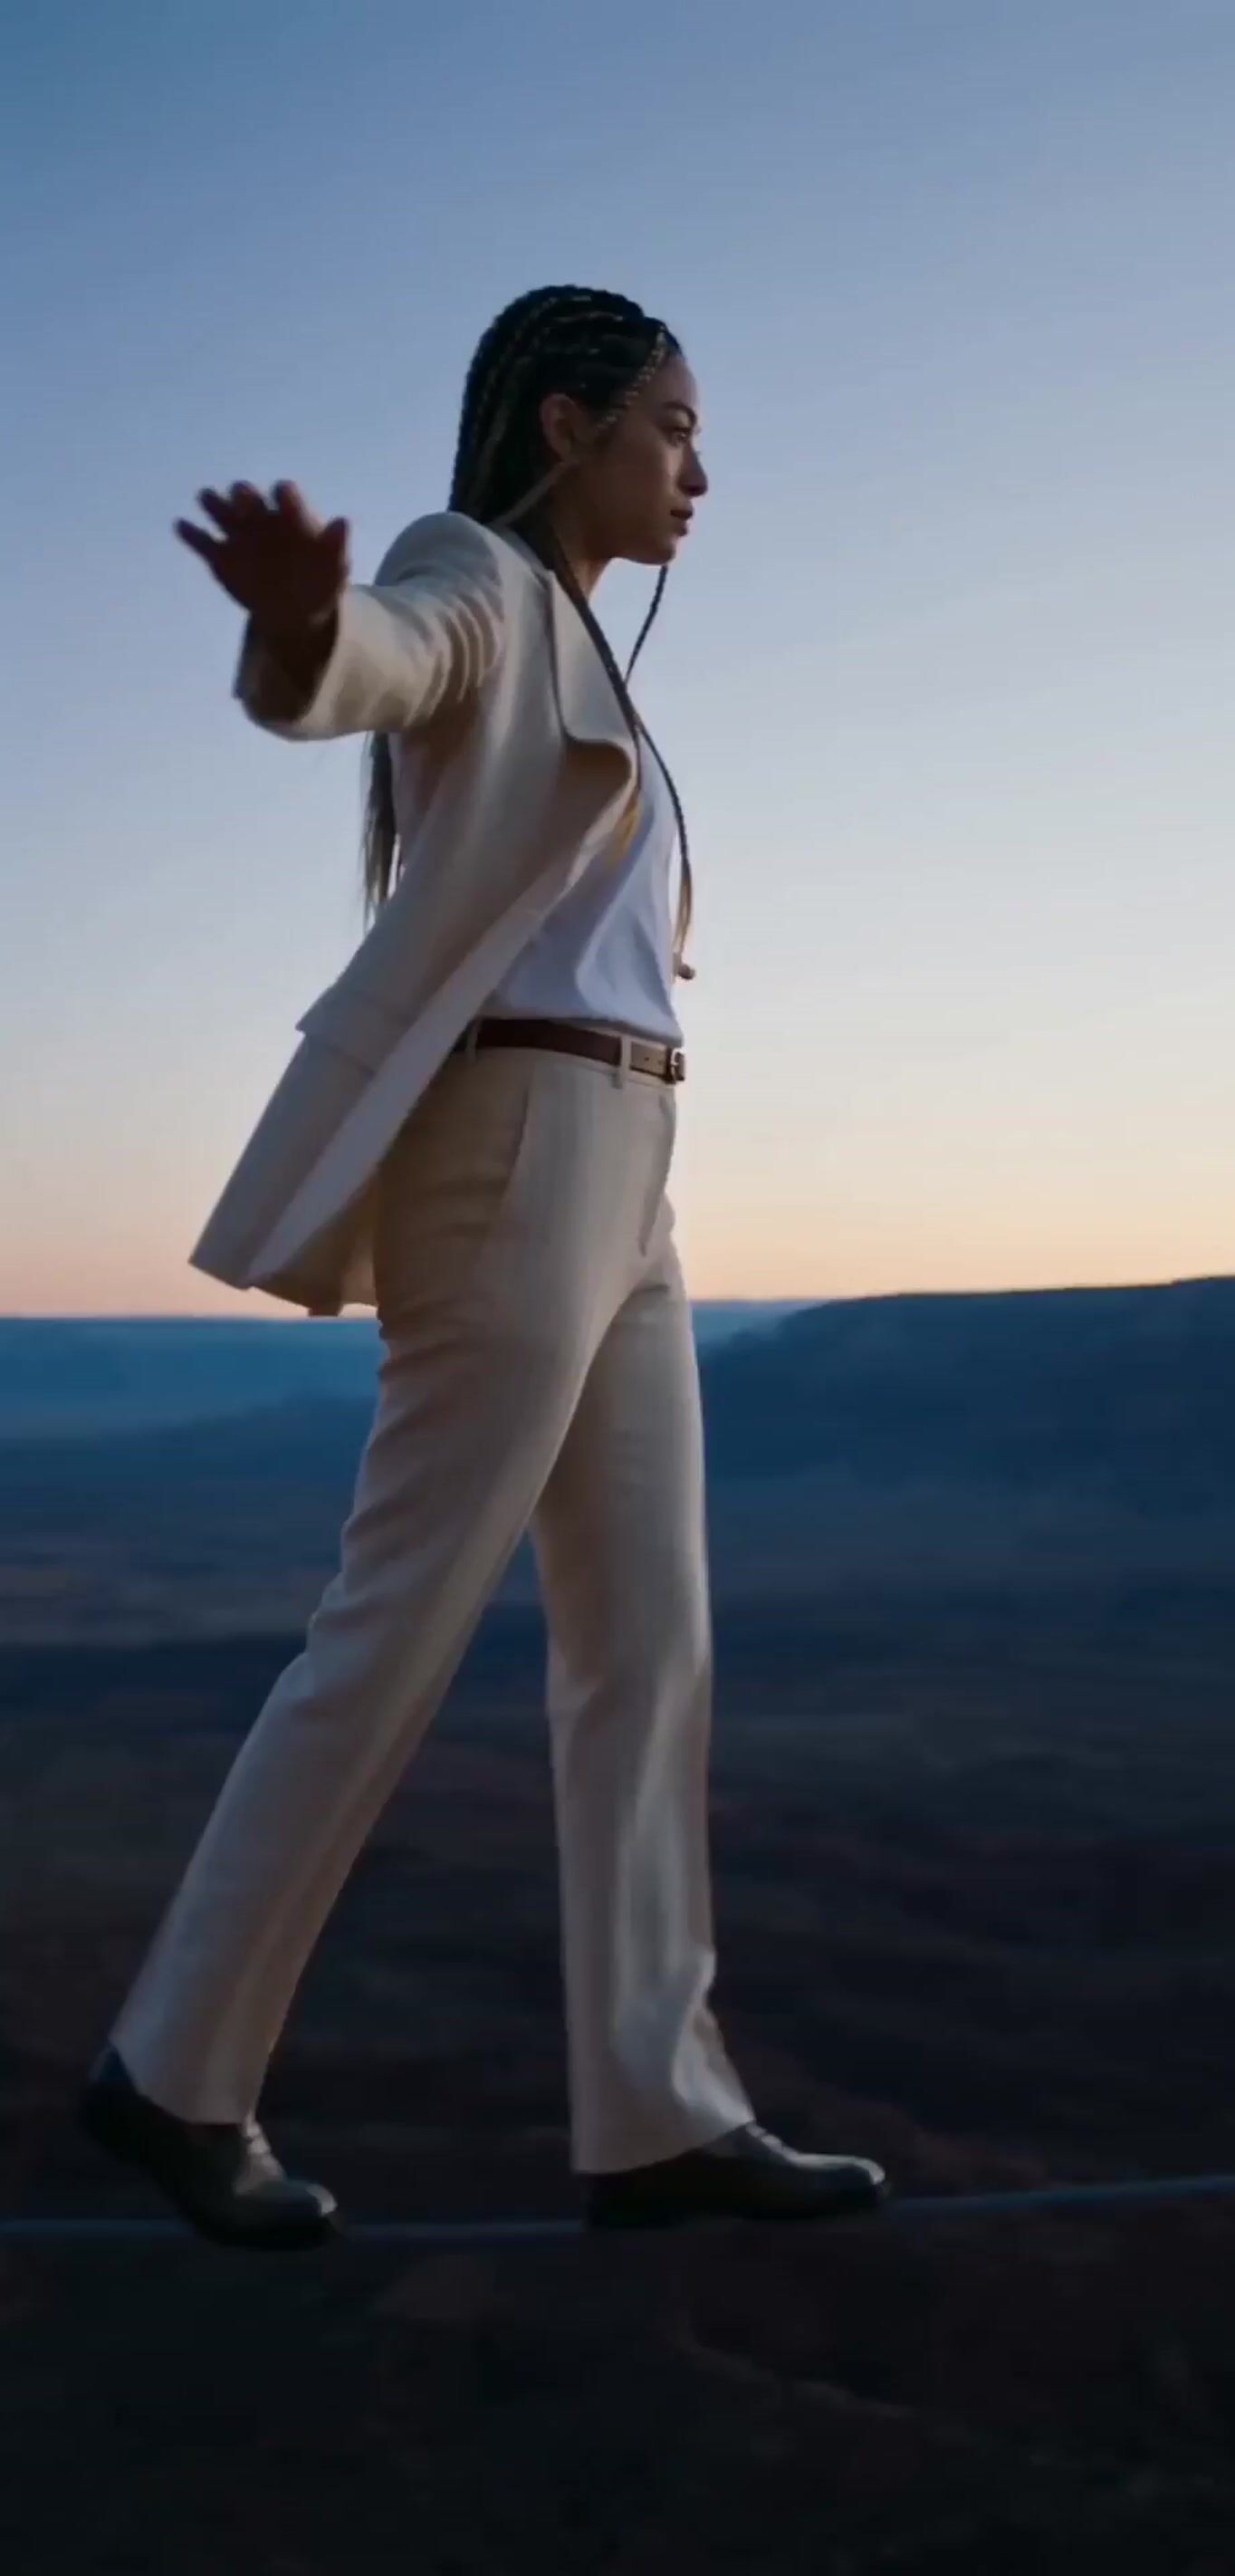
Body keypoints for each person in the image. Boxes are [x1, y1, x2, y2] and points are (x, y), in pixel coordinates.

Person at [76, 284, 890, 2245]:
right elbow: (366, 664)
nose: (697, 468)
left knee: (647, 1640)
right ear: (562, 426)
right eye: (671, 426)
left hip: (630, 1162)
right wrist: (292, 621)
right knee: (400, 1624)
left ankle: (656, 2114)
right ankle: (172, 2075)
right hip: (516, 1149)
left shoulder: (592, 648)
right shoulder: (478, 578)